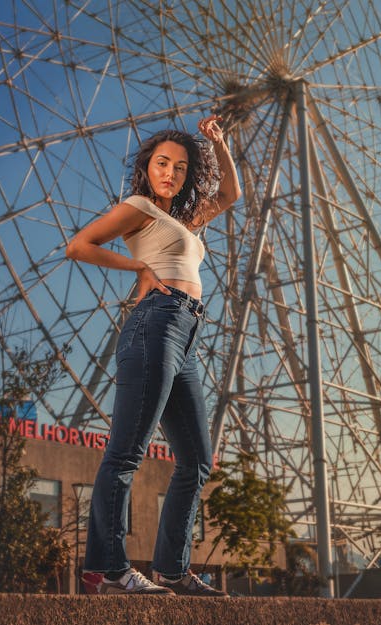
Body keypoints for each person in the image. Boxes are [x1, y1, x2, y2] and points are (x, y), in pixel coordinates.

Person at [66, 114, 241, 596]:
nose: (171, 173)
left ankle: (171, 570)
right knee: (126, 452)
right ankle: (108, 568)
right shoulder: (138, 205)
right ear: (148, 167)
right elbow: (79, 245)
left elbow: (229, 196)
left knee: (198, 461)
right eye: (163, 163)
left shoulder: (181, 219)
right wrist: (138, 266)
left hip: (185, 332)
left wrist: (219, 145)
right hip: (156, 322)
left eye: (181, 168)